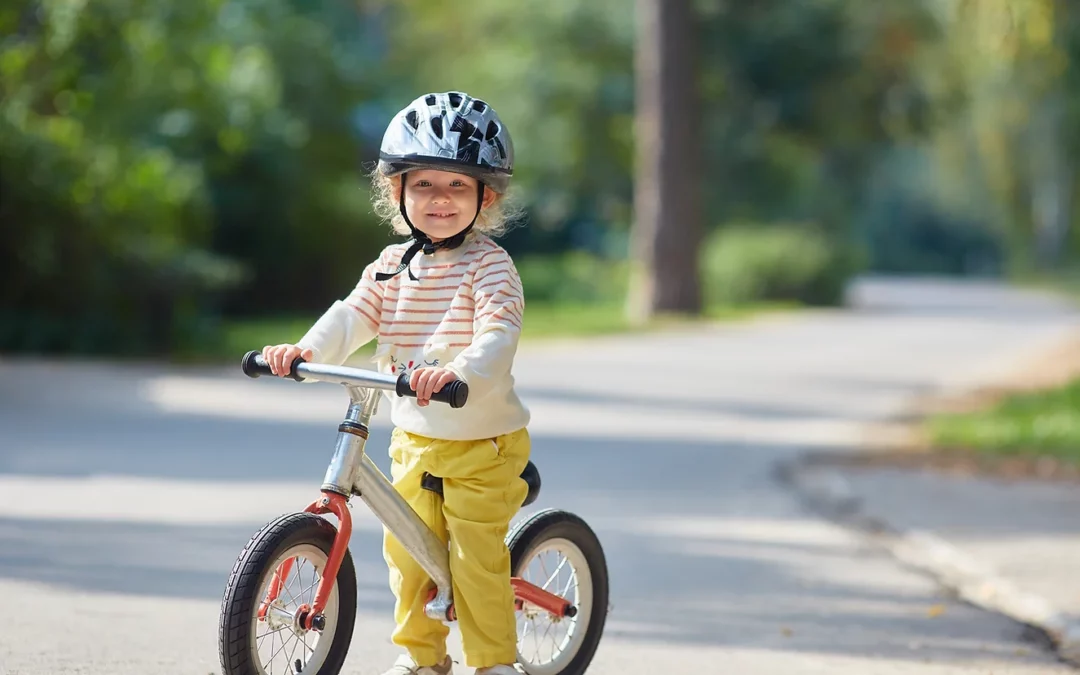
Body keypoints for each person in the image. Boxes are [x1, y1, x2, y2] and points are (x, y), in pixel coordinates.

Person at [262, 91, 529, 675]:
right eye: (424, 185)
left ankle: (493, 662)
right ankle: (421, 660)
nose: (440, 200)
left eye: (458, 186)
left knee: (475, 558)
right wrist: (304, 351)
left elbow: (498, 332)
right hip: (413, 436)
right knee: (407, 554)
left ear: (487, 197)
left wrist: (458, 373)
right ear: (397, 192)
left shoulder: (490, 265)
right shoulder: (390, 264)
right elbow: (352, 315)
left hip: (481, 443)